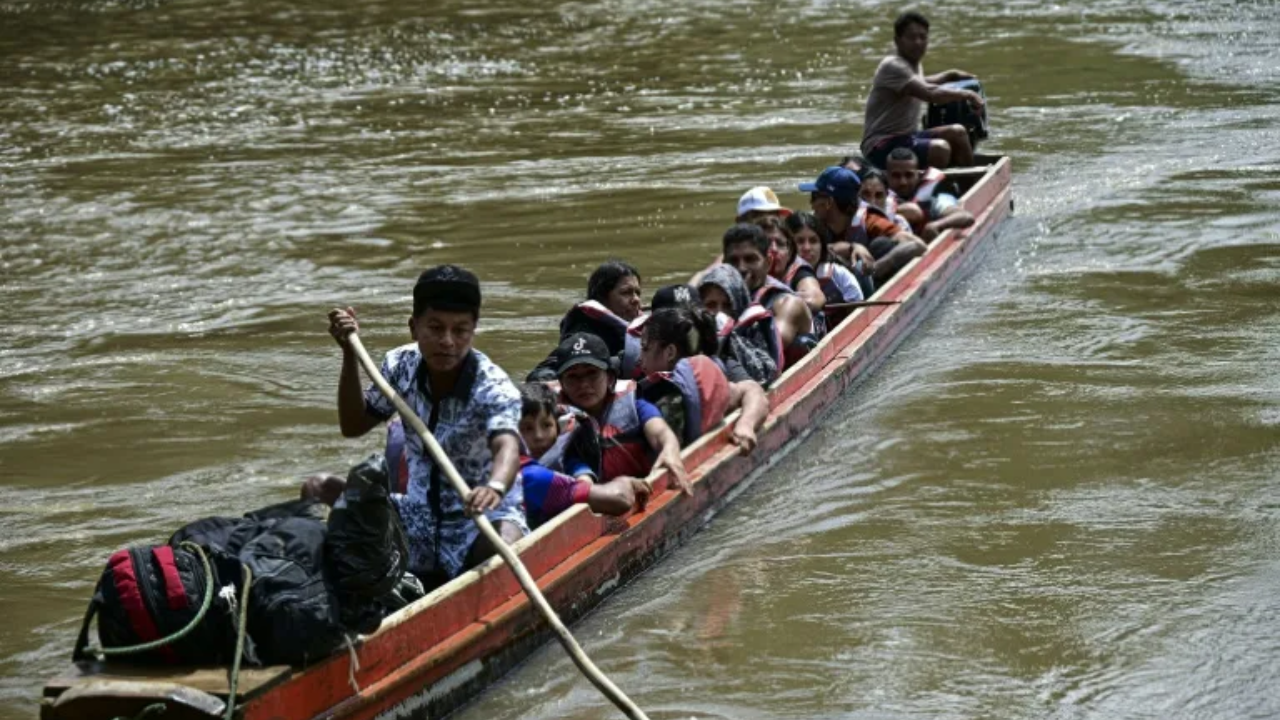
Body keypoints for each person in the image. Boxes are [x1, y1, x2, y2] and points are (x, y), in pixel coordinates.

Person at [325, 265, 526, 589]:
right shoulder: (399, 366)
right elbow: (353, 425)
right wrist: (349, 355)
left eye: (460, 330)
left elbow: (508, 445)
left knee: (507, 545)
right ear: (414, 327)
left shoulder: (493, 386)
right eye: (435, 328)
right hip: (417, 518)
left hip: (477, 521)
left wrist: (495, 488)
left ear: (474, 330)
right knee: (320, 488)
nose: (447, 341)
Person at [552, 332, 691, 494]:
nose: (583, 384)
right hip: (585, 495)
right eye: (573, 377)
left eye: (592, 373)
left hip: (642, 490)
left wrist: (670, 450)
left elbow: (660, 432)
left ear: (610, 378)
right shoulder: (553, 419)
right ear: (562, 384)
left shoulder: (636, 405)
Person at [860, 10, 984, 170]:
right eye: (912, 37)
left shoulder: (913, 64)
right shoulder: (894, 65)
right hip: (881, 145)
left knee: (958, 132)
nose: (918, 42)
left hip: (905, 137)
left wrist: (949, 75)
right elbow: (930, 93)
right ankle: (935, 189)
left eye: (923, 37)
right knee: (940, 149)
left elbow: (922, 83)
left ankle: (970, 183)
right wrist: (968, 95)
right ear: (897, 40)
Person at [637, 307, 770, 455]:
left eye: (645, 348)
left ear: (670, 353)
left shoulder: (701, 390)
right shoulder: (712, 386)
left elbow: (753, 389)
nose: (639, 358)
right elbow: (751, 389)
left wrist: (745, 424)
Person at [514, 383, 646, 530]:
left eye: (546, 425)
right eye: (526, 428)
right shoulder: (534, 477)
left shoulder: (564, 458)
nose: (539, 436)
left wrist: (584, 481)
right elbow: (620, 499)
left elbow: (580, 473)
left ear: (557, 427)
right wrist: (624, 481)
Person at [801, 165, 926, 286]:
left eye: (814, 198)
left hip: (873, 281)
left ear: (828, 203)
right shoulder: (815, 224)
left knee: (881, 245)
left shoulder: (871, 221)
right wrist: (851, 247)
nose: (811, 205)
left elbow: (917, 245)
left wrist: (875, 269)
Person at [527, 260, 644, 382]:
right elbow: (540, 375)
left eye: (638, 293)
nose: (636, 300)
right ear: (602, 298)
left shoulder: (642, 330)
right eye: (626, 293)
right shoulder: (583, 333)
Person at [718, 223, 815, 355]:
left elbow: (769, 351)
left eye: (750, 259)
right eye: (733, 261)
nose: (741, 268)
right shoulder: (719, 298)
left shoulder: (788, 304)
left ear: (768, 263)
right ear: (724, 265)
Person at [697, 264, 783, 387]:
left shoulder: (753, 325)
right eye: (711, 305)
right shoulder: (696, 327)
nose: (719, 312)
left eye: (727, 305)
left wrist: (728, 336)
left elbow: (766, 373)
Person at [884, 146, 975, 242]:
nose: (903, 182)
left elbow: (966, 216)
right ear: (887, 177)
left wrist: (937, 225)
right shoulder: (876, 197)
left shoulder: (934, 199)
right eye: (896, 176)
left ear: (918, 175)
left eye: (909, 175)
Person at [754, 215, 826, 317]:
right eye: (767, 243)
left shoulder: (800, 271)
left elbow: (814, 298)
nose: (774, 249)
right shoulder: (745, 267)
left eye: (780, 244)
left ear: (790, 251)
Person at [786, 212, 864, 305]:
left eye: (813, 241)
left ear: (822, 245)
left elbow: (857, 311)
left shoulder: (839, 275)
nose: (807, 248)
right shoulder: (779, 280)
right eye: (800, 241)